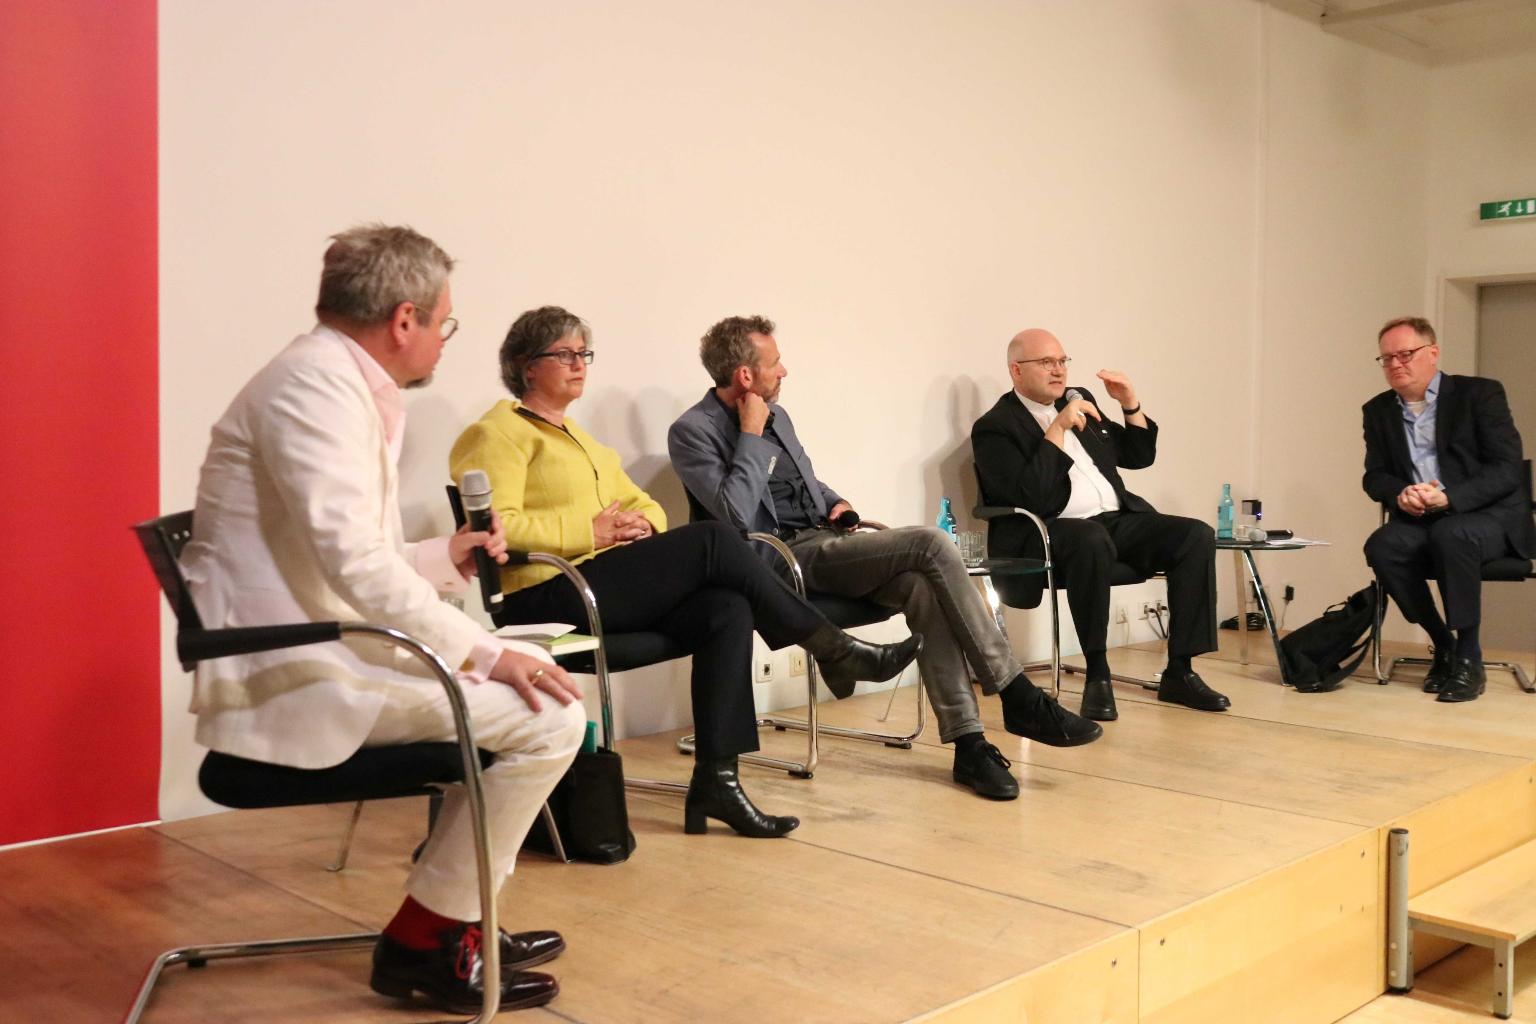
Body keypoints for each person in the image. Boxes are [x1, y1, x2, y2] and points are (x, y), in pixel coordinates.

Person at [182, 225, 584, 1014]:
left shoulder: (329, 379)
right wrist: (485, 654)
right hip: (294, 671)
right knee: (551, 716)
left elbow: (356, 551)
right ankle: (427, 936)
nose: (442, 341)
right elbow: (353, 564)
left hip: (324, 644)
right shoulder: (313, 388)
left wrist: (446, 558)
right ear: (405, 320)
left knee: (539, 700)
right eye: (444, 324)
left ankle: (461, 913)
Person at [448, 306, 922, 835]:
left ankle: (717, 782)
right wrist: (593, 530)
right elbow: (496, 529)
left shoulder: (586, 443)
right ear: (525, 366)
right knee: (717, 536)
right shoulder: (497, 433)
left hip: (607, 584)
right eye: (564, 354)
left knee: (726, 606)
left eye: (583, 353)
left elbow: (646, 504)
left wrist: (640, 524)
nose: (579, 364)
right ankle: (833, 647)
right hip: (548, 594)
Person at [667, 316, 1102, 804]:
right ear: (745, 375)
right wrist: (749, 436)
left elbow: (807, 482)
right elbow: (735, 516)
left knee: (922, 583)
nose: (784, 370)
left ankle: (969, 744)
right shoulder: (692, 432)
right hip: (777, 560)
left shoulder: (780, 416)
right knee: (932, 542)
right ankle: (1015, 692)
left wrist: (836, 502)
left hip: (825, 540)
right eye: (774, 363)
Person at [971, 327, 1225, 721]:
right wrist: (1056, 429)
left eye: (1062, 361)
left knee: (1195, 535)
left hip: (1114, 520)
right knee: (1088, 538)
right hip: (1046, 532)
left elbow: (1138, 456)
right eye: (1046, 363)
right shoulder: (995, 426)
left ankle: (1180, 670)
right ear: (1016, 371)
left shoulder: (1080, 401)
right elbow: (1032, 498)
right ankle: (1098, 675)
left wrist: (1129, 404)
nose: (1058, 371)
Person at [1362, 316, 1530, 703]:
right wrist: (1400, 492)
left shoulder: (1480, 394)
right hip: (1422, 517)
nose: (1395, 364)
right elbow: (1375, 476)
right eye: (1386, 358)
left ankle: (1469, 656)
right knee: (1383, 546)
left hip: (1485, 516)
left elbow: (1507, 469)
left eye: (1405, 354)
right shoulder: (1378, 411)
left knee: (1452, 533)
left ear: (1432, 353)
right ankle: (1444, 645)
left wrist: (1451, 497)